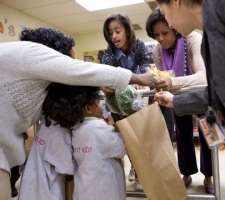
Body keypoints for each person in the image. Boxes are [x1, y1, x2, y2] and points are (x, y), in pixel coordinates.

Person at [0, 27, 156, 200]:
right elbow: (80, 70)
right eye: (98, 101)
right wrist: (138, 78)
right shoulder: (31, 52)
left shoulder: (24, 69)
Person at [146, 7, 214, 194]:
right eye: (156, 35)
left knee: (206, 135)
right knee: (182, 136)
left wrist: (171, 82)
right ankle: (187, 173)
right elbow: (162, 76)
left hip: (201, 94)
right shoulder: (158, 52)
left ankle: (209, 176)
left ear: (174, 28)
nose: (161, 39)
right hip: (178, 97)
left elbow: (203, 77)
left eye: (165, 33)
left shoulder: (193, 39)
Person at [153, 0, 225, 142]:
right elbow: (217, 96)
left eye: (164, 13)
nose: (169, 24)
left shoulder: (224, 5)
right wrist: (176, 100)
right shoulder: (207, 42)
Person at [43, 83, 127, 200]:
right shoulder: (99, 127)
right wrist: (113, 128)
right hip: (105, 190)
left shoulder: (75, 129)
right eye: (98, 103)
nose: (101, 105)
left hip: (83, 190)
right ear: (88, 108)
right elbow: (120, 148)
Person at [101, 13, 150, 191]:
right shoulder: (109, 52)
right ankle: (133, 166)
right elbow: (108, 77)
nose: (114, 36)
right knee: (125, 139)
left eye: (117, 31)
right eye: (110, 32)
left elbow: (146, 72)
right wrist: (106, 85)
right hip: (116, 104)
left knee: (138, 138)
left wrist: (138, 80)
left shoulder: (140, 46)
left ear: (127, 31)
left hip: (135, 101)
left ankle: (138, 171)